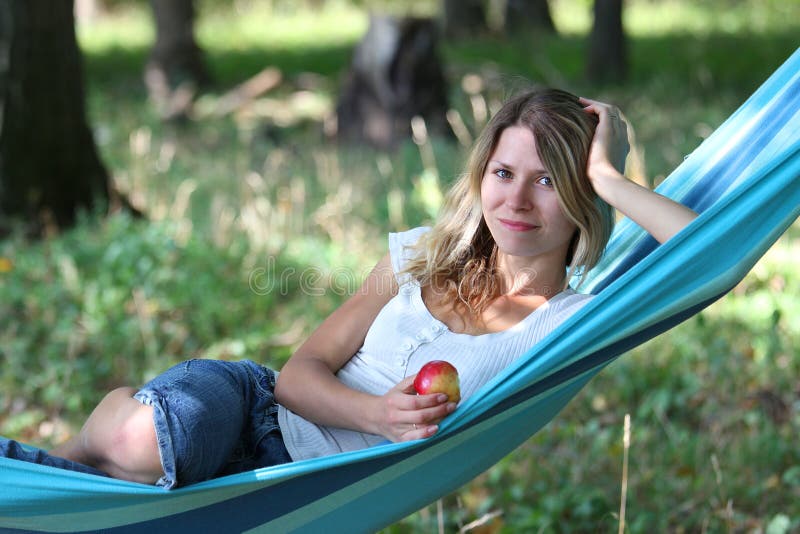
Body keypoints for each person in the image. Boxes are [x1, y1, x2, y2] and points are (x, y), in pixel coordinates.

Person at [0, 89, 698, 489]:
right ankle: (96, 431)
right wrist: (376, 417)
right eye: (503, 172)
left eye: (548, 179)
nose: (516, 199)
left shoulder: (572, 320)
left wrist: (608, 177)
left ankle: (62, 470)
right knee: (154, 440)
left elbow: (702, 256)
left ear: (577, 194)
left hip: (309, 490)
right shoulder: (425, 253)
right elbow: (296, 375)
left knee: (140, 488)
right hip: (255, 411)